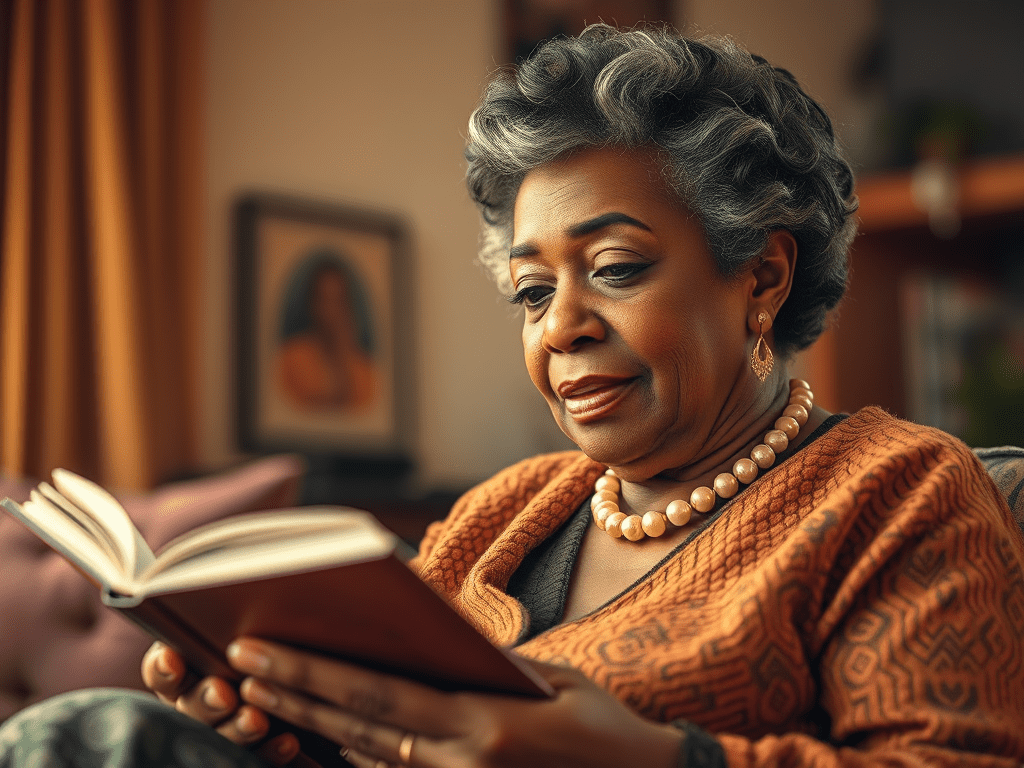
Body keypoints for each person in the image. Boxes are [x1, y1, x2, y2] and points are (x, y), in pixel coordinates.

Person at [4, 22, 1024, 768]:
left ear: (760, 276)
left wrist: (644, 764)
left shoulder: (900, 493)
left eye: (615, 268)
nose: (559, 324)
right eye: (532, 289)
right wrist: (286, 724)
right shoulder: (502, 513)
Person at [276, 252, 378, 411]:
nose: (331, 312)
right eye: (324, 300)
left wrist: (342, 357)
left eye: (338, 301)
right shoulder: (291, 357)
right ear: (312, 304)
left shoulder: (365, 370)